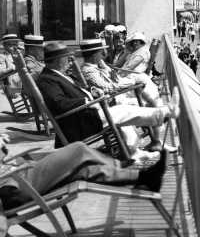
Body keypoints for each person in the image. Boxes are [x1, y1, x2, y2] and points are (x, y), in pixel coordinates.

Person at [37, 42, 180, 161]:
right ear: (57, 60)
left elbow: (73, 94)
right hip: (80, 123)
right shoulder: (47, 80)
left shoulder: (57, 75)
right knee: (124, 110)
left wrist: (92, 93)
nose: (69, 61)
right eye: (66, 58)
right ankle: (165, 113)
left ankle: (134, 149)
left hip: (87, 114)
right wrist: (87, 100)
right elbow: (59, 104)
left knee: (123, 110)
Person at [0, 136, 168, 230]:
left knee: (86, 171)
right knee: (78, 149)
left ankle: (145, 178)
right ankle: (116, 163)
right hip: (14, 187)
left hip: (19, 178)